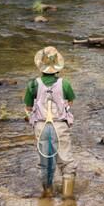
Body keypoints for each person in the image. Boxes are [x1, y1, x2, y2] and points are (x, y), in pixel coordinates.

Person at [24, 46, 77, 197]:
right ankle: (68, 199)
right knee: (66, 162)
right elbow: (70, 102)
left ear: (40, 66)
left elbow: (28, 107)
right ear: (57, 67)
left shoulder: (32, 84)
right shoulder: (65, 83)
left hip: (41, 126)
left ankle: (47, 196)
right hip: (60, 125)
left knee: (45, 164)